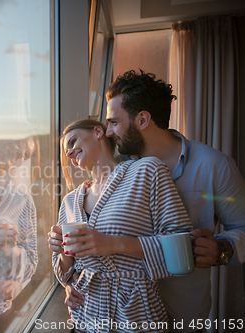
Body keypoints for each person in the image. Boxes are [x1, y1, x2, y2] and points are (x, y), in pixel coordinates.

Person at [61, 70, 245, 333]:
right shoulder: (117, 173)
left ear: (143, 119)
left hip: (183, 313)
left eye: (114, 123)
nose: (109, 132)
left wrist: (222, 248)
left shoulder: (214, 166)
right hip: (123, 316)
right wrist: (76, 283)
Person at [49, 118, 193, 332]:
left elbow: (183, 246)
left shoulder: (146, 171)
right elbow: (67, 271)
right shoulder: (70, 201)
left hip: (136, 316)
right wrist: (61, 252)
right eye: (65, 152)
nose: (69, 153)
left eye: (72, 142)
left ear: (98, 131)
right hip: (85, 318)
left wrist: (115, 244)